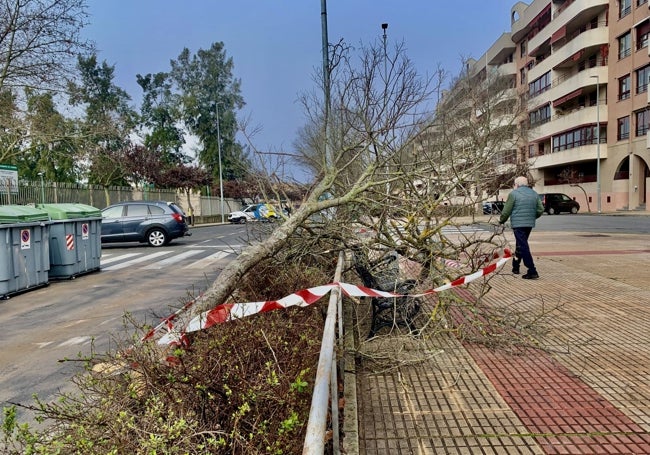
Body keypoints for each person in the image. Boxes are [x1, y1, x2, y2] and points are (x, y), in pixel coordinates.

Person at [499, 176, 544, 279]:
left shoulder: (513, 194)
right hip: (529, 224)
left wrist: (501, 220)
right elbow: (540, 209)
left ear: (517, 184)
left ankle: (532, 270)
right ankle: (515, 266)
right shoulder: (534, 194)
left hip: (518, 224)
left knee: (523, 246)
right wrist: (532, 217)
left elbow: (506, 211)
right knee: (520, 244)